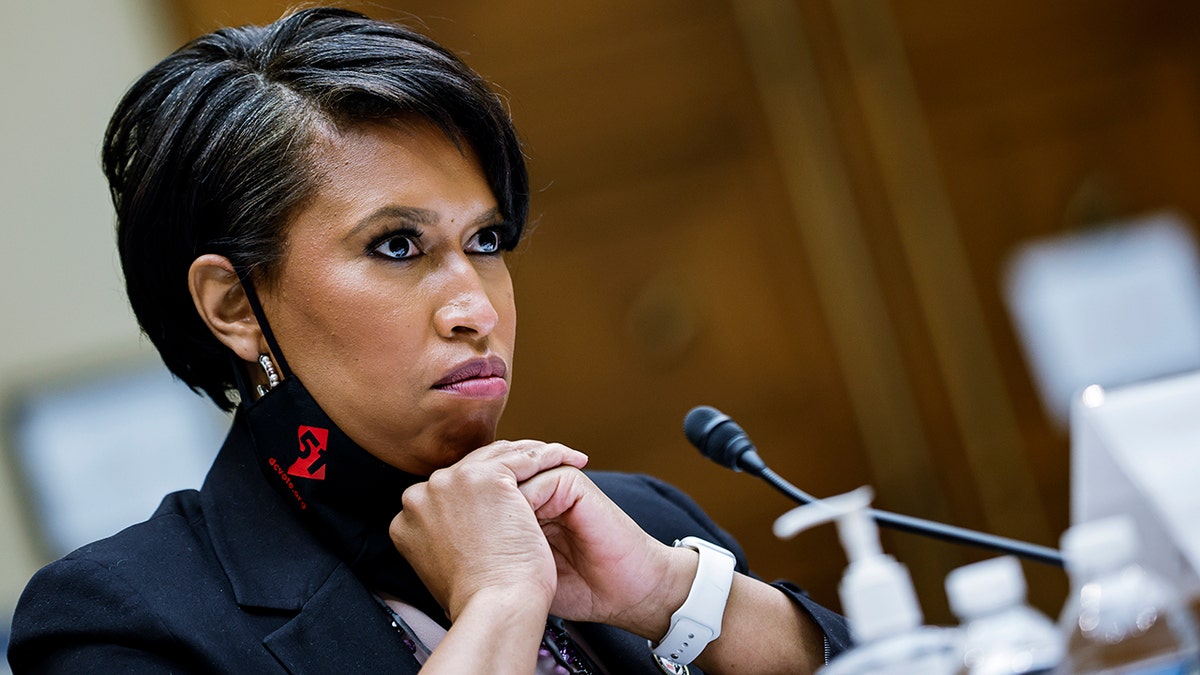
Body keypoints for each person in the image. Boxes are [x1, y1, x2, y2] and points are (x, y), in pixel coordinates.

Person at [7, 7, 850, 673]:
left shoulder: (639, 519)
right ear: (233, 304)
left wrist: (672, 594)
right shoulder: (125, 624)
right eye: (398, 246)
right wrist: (498, 606)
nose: (475, 308)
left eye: (485, 242)